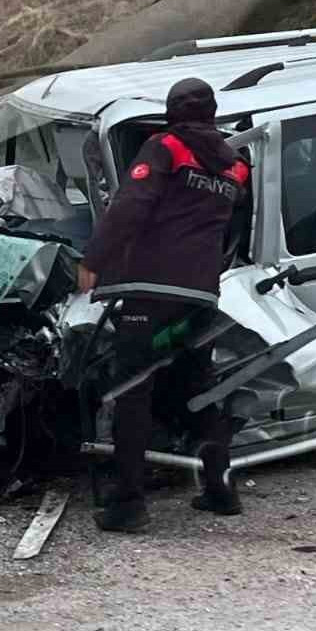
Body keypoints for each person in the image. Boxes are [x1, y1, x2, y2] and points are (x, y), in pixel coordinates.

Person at [77, 78, 250, 533]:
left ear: (172, 111)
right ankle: (219, 490)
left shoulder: (165, 148)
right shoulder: (237, 167)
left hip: (150, 290)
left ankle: (128, 504)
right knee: (199, 391)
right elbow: (233, 230)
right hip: (200, 296)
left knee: (133, 391)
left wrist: (94, 261)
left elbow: (130, 206)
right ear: (213, 113)